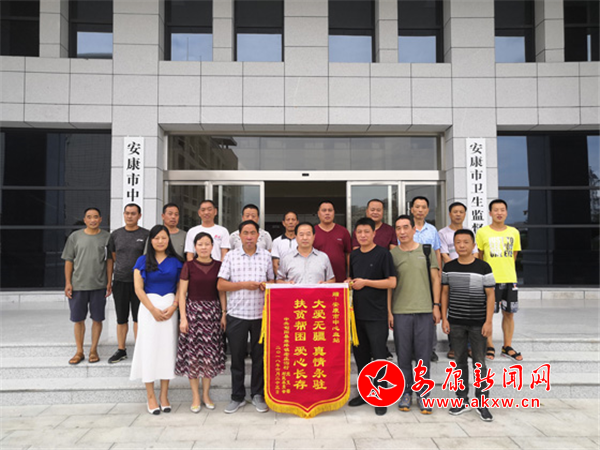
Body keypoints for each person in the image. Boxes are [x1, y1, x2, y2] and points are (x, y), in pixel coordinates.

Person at [217, 220, 275, 414]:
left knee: (259, 358)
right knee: (237, 358)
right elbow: (221, 285)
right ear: (239, 235)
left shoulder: (266, 256)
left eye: (252, 233)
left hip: (261, 316)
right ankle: (237, 396)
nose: (249, 237)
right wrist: (243, 285)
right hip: (237, 315)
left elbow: (272, 281)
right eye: (245, 233)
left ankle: (258, 394)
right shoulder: (231, 256)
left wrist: (266, 285)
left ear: (258, 235)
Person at [441, 229, 495, 422]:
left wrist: (488, 321)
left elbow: (491, 295)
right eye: (458, 242)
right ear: (454, 245)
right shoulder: (449, 267)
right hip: (456, 322)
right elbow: (445, 293)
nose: (462, 245)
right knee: (460, 362)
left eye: (466, 242)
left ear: (473, 245)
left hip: (478, 324)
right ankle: (462, 400)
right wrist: (445, 318)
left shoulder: (483, 267)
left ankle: (482, 403)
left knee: (480, 363)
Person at [130, 225, 184, 415]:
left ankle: (164, 395)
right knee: (149, 349)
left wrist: (174, 306)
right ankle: (151, 396)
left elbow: (181, 287)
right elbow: (138, 289)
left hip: (170, 308)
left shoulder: (177, 261)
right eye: (156, 238)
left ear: (168, 240)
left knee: (166, 349)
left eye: (164, 238)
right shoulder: (142, 260)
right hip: (148, 309)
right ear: (150, 241)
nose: (160, 241)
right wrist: (152, 309)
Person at [391, 215, 441, 415]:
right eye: (398, 228)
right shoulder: (392, 254)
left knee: (423, 356)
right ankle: (405, 392)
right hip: (400, 311)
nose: (402, 232)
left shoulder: (426, 251)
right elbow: (390, 286)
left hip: (424, 310)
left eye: (406, 227)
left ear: (414, 229)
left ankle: (423, 394)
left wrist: (436, 305)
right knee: (403, 356)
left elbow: (436, 279)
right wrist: (389, 312)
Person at [346, 218, 396, 416]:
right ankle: (365, 392)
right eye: (359, 232)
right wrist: (350, 282)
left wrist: (366, 282)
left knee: (379, 356)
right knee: (361, 356)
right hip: (356, 316)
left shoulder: (383, 254)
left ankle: (381, 396)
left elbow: (391, 282)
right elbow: (353, 279)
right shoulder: (354, 255)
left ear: (374, 233)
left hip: (377, 315)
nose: (363, 235)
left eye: (367, 231)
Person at [175, 232, 226, 413]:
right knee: (193, 356)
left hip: (212, 313)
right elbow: (182, 294)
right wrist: (183, 317)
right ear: (195, 247)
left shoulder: (219, 266)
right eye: (200, 244)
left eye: (207, 244)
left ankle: (206, 394)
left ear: (213, 246)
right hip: (193, 313)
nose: (204, 247)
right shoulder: (188, 266)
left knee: (209, 356)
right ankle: (195, 396)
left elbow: (221, 292)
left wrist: (223, 313)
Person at [62, 207, 113, 365]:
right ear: (84, 220)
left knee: (97, 319)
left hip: (99, 285)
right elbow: (69, 260)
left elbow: (109, 261)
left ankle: (93, 350)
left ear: (100, 219)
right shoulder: (75, 237)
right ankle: (79, 351)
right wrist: (68, 282)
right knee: (78, 319)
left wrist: (109, 281)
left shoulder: (107, 237)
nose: (93, 220)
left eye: (95, 217)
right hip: (78, 285)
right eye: (89, 217)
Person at [476, 199, 523, 362]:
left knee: (509, 313)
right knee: (487, 314)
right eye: (496, 210)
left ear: (506, 213)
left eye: (502, 210)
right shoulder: (482, 232)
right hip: (490, 280)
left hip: (509, 278)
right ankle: (489, 345)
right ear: (490, 213)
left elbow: (514, 255)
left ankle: (507, 346)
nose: (499, 213)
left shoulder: (514, 232)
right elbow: (480, 257)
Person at [107, 203, 149, 364]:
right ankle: (121, 349)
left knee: (138, 317)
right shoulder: (116, 234)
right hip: (120, 281)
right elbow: (112, 257)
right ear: (123, 214)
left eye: (133, 213)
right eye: (127, 213)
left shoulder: (146, 234)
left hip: (140, 283)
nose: (129, 216)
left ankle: (139, 350)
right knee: (121, 317)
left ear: (139, 216)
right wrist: (109, 281)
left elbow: (148, 257)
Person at [438, 201, 478, 359]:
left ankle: (469, 346)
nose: (458, 214)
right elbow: (444, 254)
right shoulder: (443, 233)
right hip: (452, 275)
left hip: (470, 277)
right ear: (449, 214)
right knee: (453, 312)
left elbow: (475, 253)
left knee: (469, 311)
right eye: (455, 212)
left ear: (465, 214)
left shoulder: (469, 232)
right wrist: (458, 268)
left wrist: (468, 268)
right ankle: (454, 347)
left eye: (461, 212)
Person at [409, 196, 442, 363]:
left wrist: (438, 273)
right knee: (412, 313)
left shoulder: (432, 230)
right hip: (410, 276)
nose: (420, 210)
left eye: (423, 207)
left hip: (429, 276)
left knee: (430, 312)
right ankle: (413, 348)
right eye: (417, 207)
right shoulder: (406, 228)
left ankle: (431, 349)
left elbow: (437, 252)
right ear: (411, 209)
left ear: (428, 210)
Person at [313, 201, 352, 282]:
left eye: (330, 210)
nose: (327, 213)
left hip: (340, 279)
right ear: (318, 213)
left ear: (334, 213)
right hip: (318, 280)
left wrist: (350, 275)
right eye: (324, 210)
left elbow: (348, 254)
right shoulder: (312, 232)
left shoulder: (343, 231)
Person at [271, 211, 299, 277]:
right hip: (283, 279)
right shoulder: (276, 241)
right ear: (283, 223)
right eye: (288, 220)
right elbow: (275, 264)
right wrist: (281, 279)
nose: (291, 222)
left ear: (297, 222)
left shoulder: (302, 241)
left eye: (293, 220)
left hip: (299, 277)